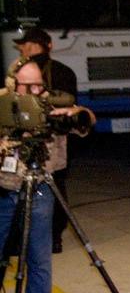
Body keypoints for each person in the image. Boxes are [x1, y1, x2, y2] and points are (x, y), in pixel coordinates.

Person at [0, 60, 91, 293]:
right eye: (30, 85)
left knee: (39, 258)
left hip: (41, 187)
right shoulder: (3, 105)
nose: (37, 90)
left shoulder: (50, 107)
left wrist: (77, 113)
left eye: (40, 84)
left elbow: (85, 120)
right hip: (5, 189)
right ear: (15, 84)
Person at [8, 28, 78, 254]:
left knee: (42, 191)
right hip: (42, 148)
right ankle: (49, 237)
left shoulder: (53, 72)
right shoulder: (60, 71)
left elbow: (69, 111)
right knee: (50, 187)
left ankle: (38, 237)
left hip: (46, 146)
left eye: (28, 46)